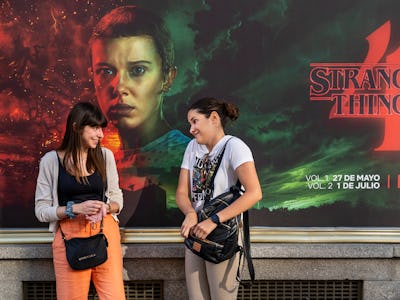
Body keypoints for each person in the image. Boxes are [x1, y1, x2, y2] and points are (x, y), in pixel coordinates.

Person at [89, 5, 190, 226]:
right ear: (93, 77)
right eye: (106, 71)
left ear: (167, 77)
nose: (119, 86)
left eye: (138, 70)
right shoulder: (95, 158)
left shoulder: (190, 158)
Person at [35, 102, 125, 300]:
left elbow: (117, 197)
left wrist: (106, 207)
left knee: (114, 297)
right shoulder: (51, 161)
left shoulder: (105, 156)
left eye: (101, 128)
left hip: (105, 233)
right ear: (76, 127)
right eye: (94, 127)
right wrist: (74, 208)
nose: (100, 134)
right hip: (69, 237)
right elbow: (41, 211)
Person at [176, 97, 263, 299]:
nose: (191, 129)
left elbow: (254, 193)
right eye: (190, 123)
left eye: (195, 121)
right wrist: (190, 213)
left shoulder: (234, 147)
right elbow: (181, 192)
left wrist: (213, 220)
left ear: (213, 118)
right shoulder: (192, 148)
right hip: (195, 232)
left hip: (221, 234)